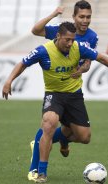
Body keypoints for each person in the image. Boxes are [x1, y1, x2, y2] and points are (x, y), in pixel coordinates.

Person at [2, 22, 108, 183]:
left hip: (74, 96)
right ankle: (42, 172)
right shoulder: (43, 51)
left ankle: (62, 138)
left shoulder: (78, 47)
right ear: (58, 36)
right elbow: (22, 63)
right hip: (54, 95)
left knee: (84, 137)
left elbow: (102, 58)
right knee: (49, 123)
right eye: (67, 40)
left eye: (72, 39)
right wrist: (9, 80)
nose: (70, 43)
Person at [28, 0, 99, 181]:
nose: (85, 20)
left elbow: (88, 63)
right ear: (74, 17)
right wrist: (53, 14)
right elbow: (36, 30)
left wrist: (82, 69)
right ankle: (36, 168)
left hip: (74, 91)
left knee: (80, 135)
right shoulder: (60, 31)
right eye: (81, 16)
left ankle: (61, 139)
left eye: (88, 17)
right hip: (55, 89)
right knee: (49, 124)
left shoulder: (92, 37)